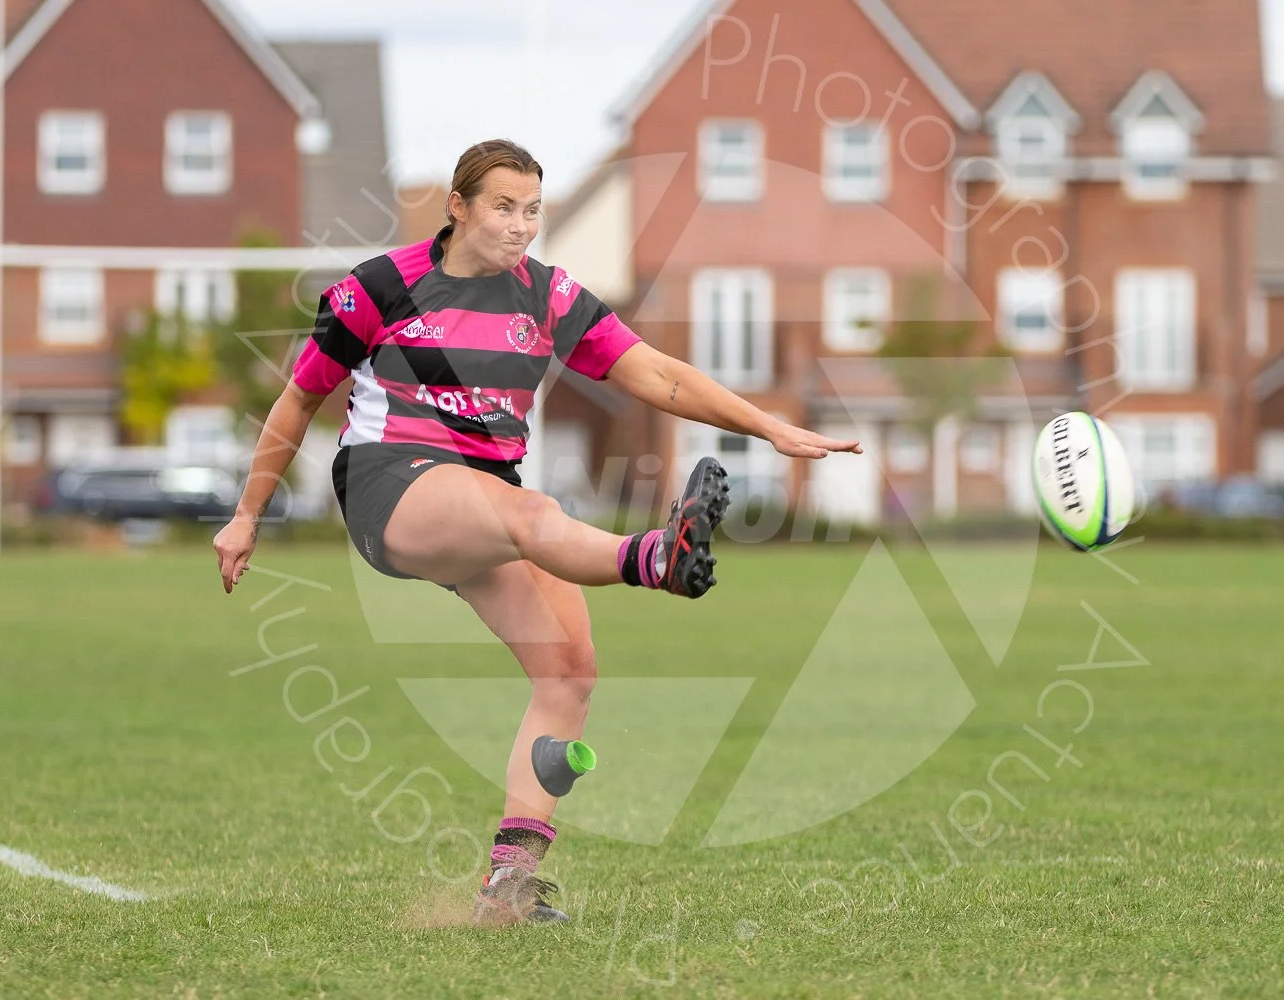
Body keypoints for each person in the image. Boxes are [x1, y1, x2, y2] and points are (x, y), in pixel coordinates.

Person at [212, 139, 861, 925]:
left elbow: (660, 375)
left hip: (488, 498)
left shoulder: (549, 298)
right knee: (529, 514)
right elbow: (296, 401)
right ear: (458, 207)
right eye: (502, 208)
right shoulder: (380, 288)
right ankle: (655, 558)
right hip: (388, 484)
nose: (520, 226)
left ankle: (507, 887)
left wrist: (769, 428)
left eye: (532, 210)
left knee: (569, 673)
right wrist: (247, 515)